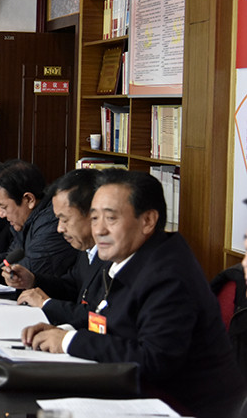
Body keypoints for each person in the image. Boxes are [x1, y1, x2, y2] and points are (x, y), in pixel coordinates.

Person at [21, 169, 247, 418]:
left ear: (148, 220)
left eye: (111, 218)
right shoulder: (129, 258)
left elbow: (154, 361)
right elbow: (110, 324)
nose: (99, 230)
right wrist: (62, 332)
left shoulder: (168, 275)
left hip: (182, 407)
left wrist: (68, 341)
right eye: (94, 218)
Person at [2, 168, 110, 327]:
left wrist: (47, 304)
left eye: (64, 220)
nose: (59, 228)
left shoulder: (115, 258)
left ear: (93, 215)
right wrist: (33, 280)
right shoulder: (87, 251)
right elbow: (71, 287)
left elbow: (100, 320)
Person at [0, 159, 76, 278]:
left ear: (29, 199)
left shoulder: (51, 224)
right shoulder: (26, 221)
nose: (1, 214)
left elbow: (26, 270)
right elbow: (10, 259)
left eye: (4, 207)